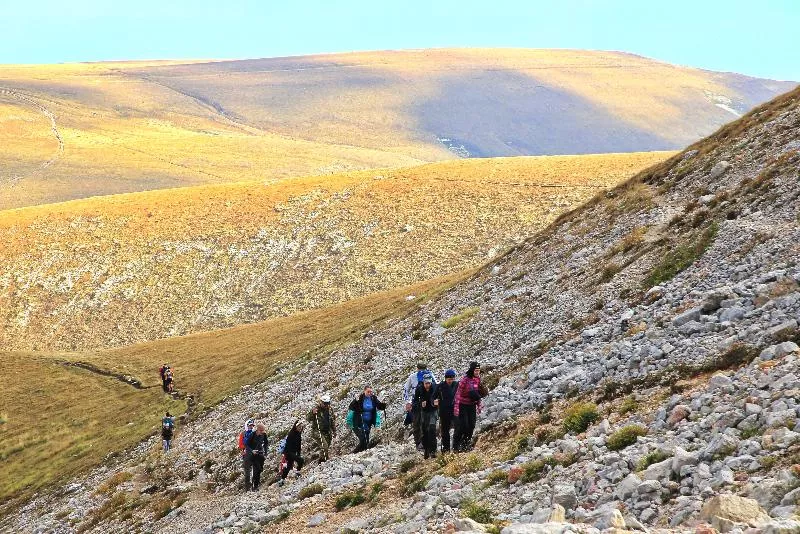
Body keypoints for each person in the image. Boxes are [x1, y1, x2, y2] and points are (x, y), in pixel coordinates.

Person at [403, 362, 438, 450]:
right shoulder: (413, 377)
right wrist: (408, 402)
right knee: (417, 422)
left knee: (425, 423)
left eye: (423, 369)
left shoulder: (430, 375)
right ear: (417, 369)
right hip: (417, 402)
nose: (422, 371)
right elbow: (406, 389)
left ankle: (424, 442)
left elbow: (436, 387)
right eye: (421, 369)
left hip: (427, 403)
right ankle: (418, 443)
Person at [453, 362, 483, 452]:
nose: (477, 372)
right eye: (476, 370)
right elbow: (458, 393)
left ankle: (466, 444)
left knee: (472, 425)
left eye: (478, 370)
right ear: (472, 370)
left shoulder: (478, 379)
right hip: (463, 405)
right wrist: (456, 407)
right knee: (464, 426)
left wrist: (479, 405)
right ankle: (456, 445)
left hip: (472, 405)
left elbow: (477, 393)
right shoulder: (464, 379)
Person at [348, 386, 387, 452]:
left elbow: (378, 405)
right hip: (360, 421)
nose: (370, 393)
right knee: (364, 438)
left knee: (367, 438)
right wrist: (355, 401)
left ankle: (361, 451)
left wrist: (383, 406)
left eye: (371, 391)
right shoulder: (360, 398)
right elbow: (351, 406)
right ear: (364, 391)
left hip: (369, 421)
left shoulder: (373, 398)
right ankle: (356, 452)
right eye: (368, 392)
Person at [413, 374, 439, 459]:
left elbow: (440, 397)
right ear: (423, 383)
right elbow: (415, 401)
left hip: (433, 410)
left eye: (429, 383)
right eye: (426, 383)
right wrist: (420, 404)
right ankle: (426, 449)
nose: (427, 385)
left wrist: (437, 402)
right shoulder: (419, 388)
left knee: (432, 429)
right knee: (424, 431)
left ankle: (433, 450)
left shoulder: (435, 387)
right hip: (424, 412)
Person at [307, 395, 336, 463]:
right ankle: (323, 461)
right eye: (325, 403)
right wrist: (312, 413)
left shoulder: (330, 409)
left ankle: (322, 458)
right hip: (318, 431)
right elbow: (308, 418)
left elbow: (332, 421)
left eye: (328, 403)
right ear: (321, 402)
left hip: (327, 431)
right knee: (324, 446)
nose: (326, 405)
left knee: (326, 447)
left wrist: (334, 431)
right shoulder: (316, 409)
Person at [435, 369, 459, 453]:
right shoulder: (440, 386)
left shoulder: (457, 385)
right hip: (444, 412)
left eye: (452, 379)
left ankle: (456, 447)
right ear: (445, 378)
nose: (450, 381)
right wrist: (434, 402)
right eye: (449, 379)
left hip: (455, 410)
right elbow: (433, 397)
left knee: (458, 428)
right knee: (445, 431)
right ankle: (446, 450)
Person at [279, 420, 305, 486]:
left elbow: (299, 446)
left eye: (301, 427)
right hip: (288, 453)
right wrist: (292, 455)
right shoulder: (291, 434)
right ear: (296, 427)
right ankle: (297, 472)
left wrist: (298, 454)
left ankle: (282, 479)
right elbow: (288, 446)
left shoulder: (299, 434)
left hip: (292, 453)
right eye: (299, 427)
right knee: (301, 460)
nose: (300, 428)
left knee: (289, 466)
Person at [245, 422, 269, 491]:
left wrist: (266, 452)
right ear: (257, 429)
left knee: (260, 470)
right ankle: (254, 487)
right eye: (261, 430)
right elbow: (246, 445)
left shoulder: (264, 435)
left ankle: (256, 485)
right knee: (256, 470)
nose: (262, 432)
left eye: (263, 430)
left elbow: (266, 443)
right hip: (253, 455)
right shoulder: (252, 435)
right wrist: (252, 451)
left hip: (260, 454)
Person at [238, 419, 256, 490]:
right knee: (248, 472)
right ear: (246, 426)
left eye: (252, 426)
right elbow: (240, 445)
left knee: (255, 470)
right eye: (250, 426)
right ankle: (247, 488)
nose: (251, 427)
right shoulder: (243, 434)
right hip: (246, 455)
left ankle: (254, 486)